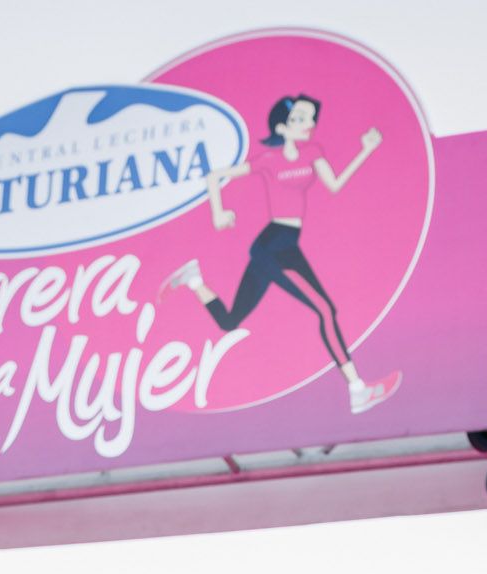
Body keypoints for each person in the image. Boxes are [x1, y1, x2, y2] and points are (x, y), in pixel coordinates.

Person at [161, 92, 398, 415]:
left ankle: (194, 280)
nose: (309, 125)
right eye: (300, 119)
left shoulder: (312, 152)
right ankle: (358, 390)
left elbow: (336, 184)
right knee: (325, 310)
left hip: (285, 244)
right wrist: (219, 213)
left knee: (230, 321)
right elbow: (214, 176)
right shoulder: (268, 161)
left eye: (310, 119)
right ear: (282, 127)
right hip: (273, 245)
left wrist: (365, 150)